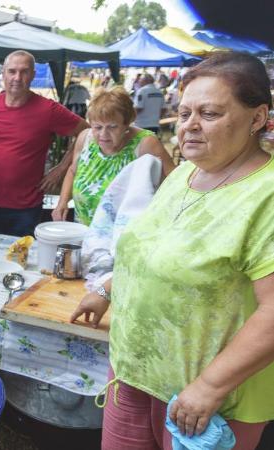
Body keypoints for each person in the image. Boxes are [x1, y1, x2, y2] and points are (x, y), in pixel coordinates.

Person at [72, 52, 274, 450]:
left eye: (210, 114)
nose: (190, 126)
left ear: (257, 118)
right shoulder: (184, 173)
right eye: (183, 114)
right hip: (133, 372)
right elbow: (153, 249)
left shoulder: (265, 193)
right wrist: (109, 289)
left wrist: (210, 386)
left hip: (205, 398)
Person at [0, 50, 88, 237]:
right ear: (3, 73)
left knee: (21, 261)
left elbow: (86, 132)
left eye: (24, 71)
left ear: (33, 75)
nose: (17, 77)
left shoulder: (48, 110)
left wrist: (60, 169)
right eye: (12, 71)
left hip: (26, 208)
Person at [52, 87, 176, 225]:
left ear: (126, 123)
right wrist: (62, 202)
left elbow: (175, 183)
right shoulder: (85, 138)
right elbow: (72, 171)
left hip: (124, 235)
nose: (103, 134)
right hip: (82, 229)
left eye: (112, 127)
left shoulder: (145, 143)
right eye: (97, 127)